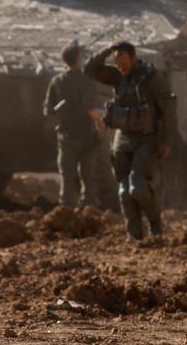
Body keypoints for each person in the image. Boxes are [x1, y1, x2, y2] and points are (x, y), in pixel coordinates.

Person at [85, 41, 176, 241]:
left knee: (138, 186)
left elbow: (168, 111)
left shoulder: (151, 78)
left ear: (133, 58)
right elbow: (90, 69)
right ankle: (136, 237)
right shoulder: (117, 77)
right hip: (123, 137)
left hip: (147, 137)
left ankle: (155, 223)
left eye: (123, 61)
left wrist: (166, 141)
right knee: (125, 192)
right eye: (116, 62)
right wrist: (108, 50)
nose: (120, 66)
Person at [43, 43, 113, 211]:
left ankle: (66, 212)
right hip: (87, 136)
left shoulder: (57, 81)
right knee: (88, 177)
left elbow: (48, 111)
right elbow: (92, 109)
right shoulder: (87, 81)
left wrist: (62, 119)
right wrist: (100, 125)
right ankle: (89, 211)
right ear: (79, 60)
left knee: (67, 176)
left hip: (67, 135)